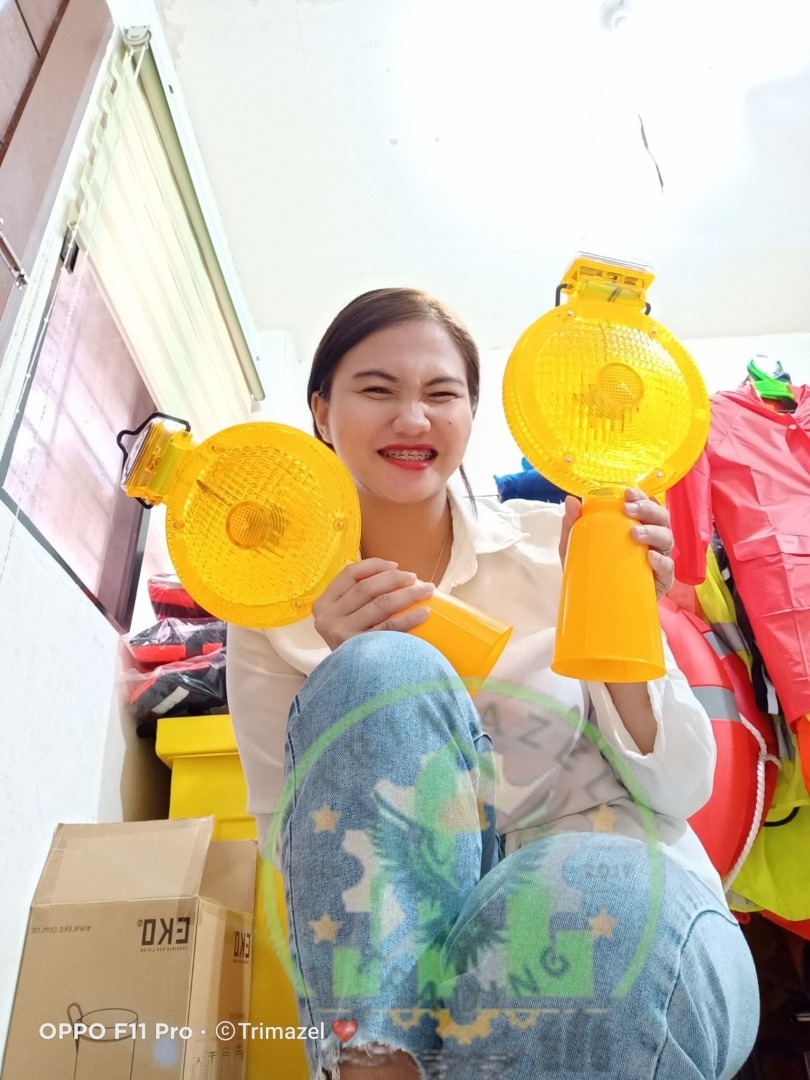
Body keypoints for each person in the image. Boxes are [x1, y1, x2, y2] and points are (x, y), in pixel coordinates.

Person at [226, 288, 760, 1079]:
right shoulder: (275, 612)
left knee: (579, 888)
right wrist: (354, 697)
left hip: (634, 918)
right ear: (321, 412)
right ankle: (379, 1063)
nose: (413, 418)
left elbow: (680, 790)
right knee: (378, 670)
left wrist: (616, 618)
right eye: (377, 389)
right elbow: (299, 851)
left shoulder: (558, 546)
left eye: (442, 394)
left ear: (472, 414)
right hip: (422, 980)